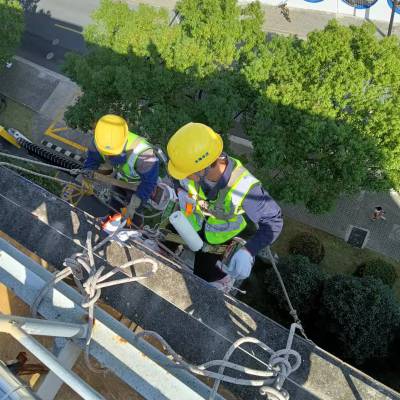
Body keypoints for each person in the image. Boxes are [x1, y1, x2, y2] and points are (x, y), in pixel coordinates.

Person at [167, 122, 283, 286]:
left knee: (204, 275)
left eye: (187, 173)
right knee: (166, 238)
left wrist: (249, 250)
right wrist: (179, 190)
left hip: (219, 235)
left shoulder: (244, 188)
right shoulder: (191, 165)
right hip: (191, 220)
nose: (184, 177)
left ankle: (221, 280)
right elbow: (176, 176)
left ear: (204, 168)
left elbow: (273, 221)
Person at [83, 114, 159, 218]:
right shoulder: (100, 142)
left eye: (112, 153)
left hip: (138, 187)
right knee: (115, 206)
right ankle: (112, 218)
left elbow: (149, 183)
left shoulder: (144, 155)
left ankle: (130, 226)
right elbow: (92, 160)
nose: (108, 156)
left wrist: (134, 204)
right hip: (119, 181)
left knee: (132, 215)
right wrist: (87, 176)